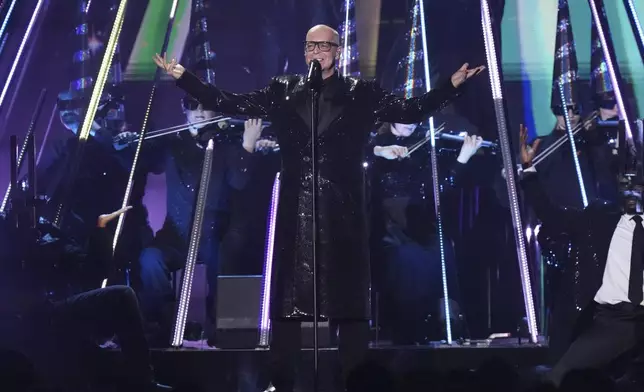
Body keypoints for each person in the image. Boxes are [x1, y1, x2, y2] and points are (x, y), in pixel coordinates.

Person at [154, 24, 484, 390]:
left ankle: (352, 380)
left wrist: (451, 86)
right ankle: (284, 381)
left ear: (338, 51)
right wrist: (186, 79)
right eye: (310, 45)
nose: (316, 52)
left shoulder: (361, 93)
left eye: (324, 46)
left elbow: (409, 110)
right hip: (298, 214)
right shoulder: (283, 90)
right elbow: (231, 102)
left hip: (344, 215)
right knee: (290, 306)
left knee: (349, 308)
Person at [518, 124, 644, 387]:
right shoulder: (598, 217)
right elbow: (550, 215)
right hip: (602, 320)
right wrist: (529, 172)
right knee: (561, 377)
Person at [137, 97, 267, 347]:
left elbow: (239, 182)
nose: (198, 112)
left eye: (204, 106)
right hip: (176, 235)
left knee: (227, 258)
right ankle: (166, 326)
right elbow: (150, 162)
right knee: (149, 259)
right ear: (183, 110)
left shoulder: (226, 145)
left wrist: (248, 145)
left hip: (213, 233)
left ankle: (218, 331)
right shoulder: (173, 144)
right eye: (192, 106)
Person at [0, 205, 171, 391]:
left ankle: (142, 382)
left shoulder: (43, 235)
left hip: (46, 314)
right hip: (14, 324)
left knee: (122, 296)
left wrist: (100, 230)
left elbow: (92, 271)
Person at [369, 123, 481, 343]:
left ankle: (445, 321)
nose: (410, 124)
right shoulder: (374, 143)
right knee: (406, 256)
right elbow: (354, 160)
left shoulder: (427, 145)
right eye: (404, 117)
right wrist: (379, 152)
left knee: (443, 249)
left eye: (414, 118)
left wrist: (463, 158)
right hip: (387, 224)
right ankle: (409, 327)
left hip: (419, 222)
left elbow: (439, 190)